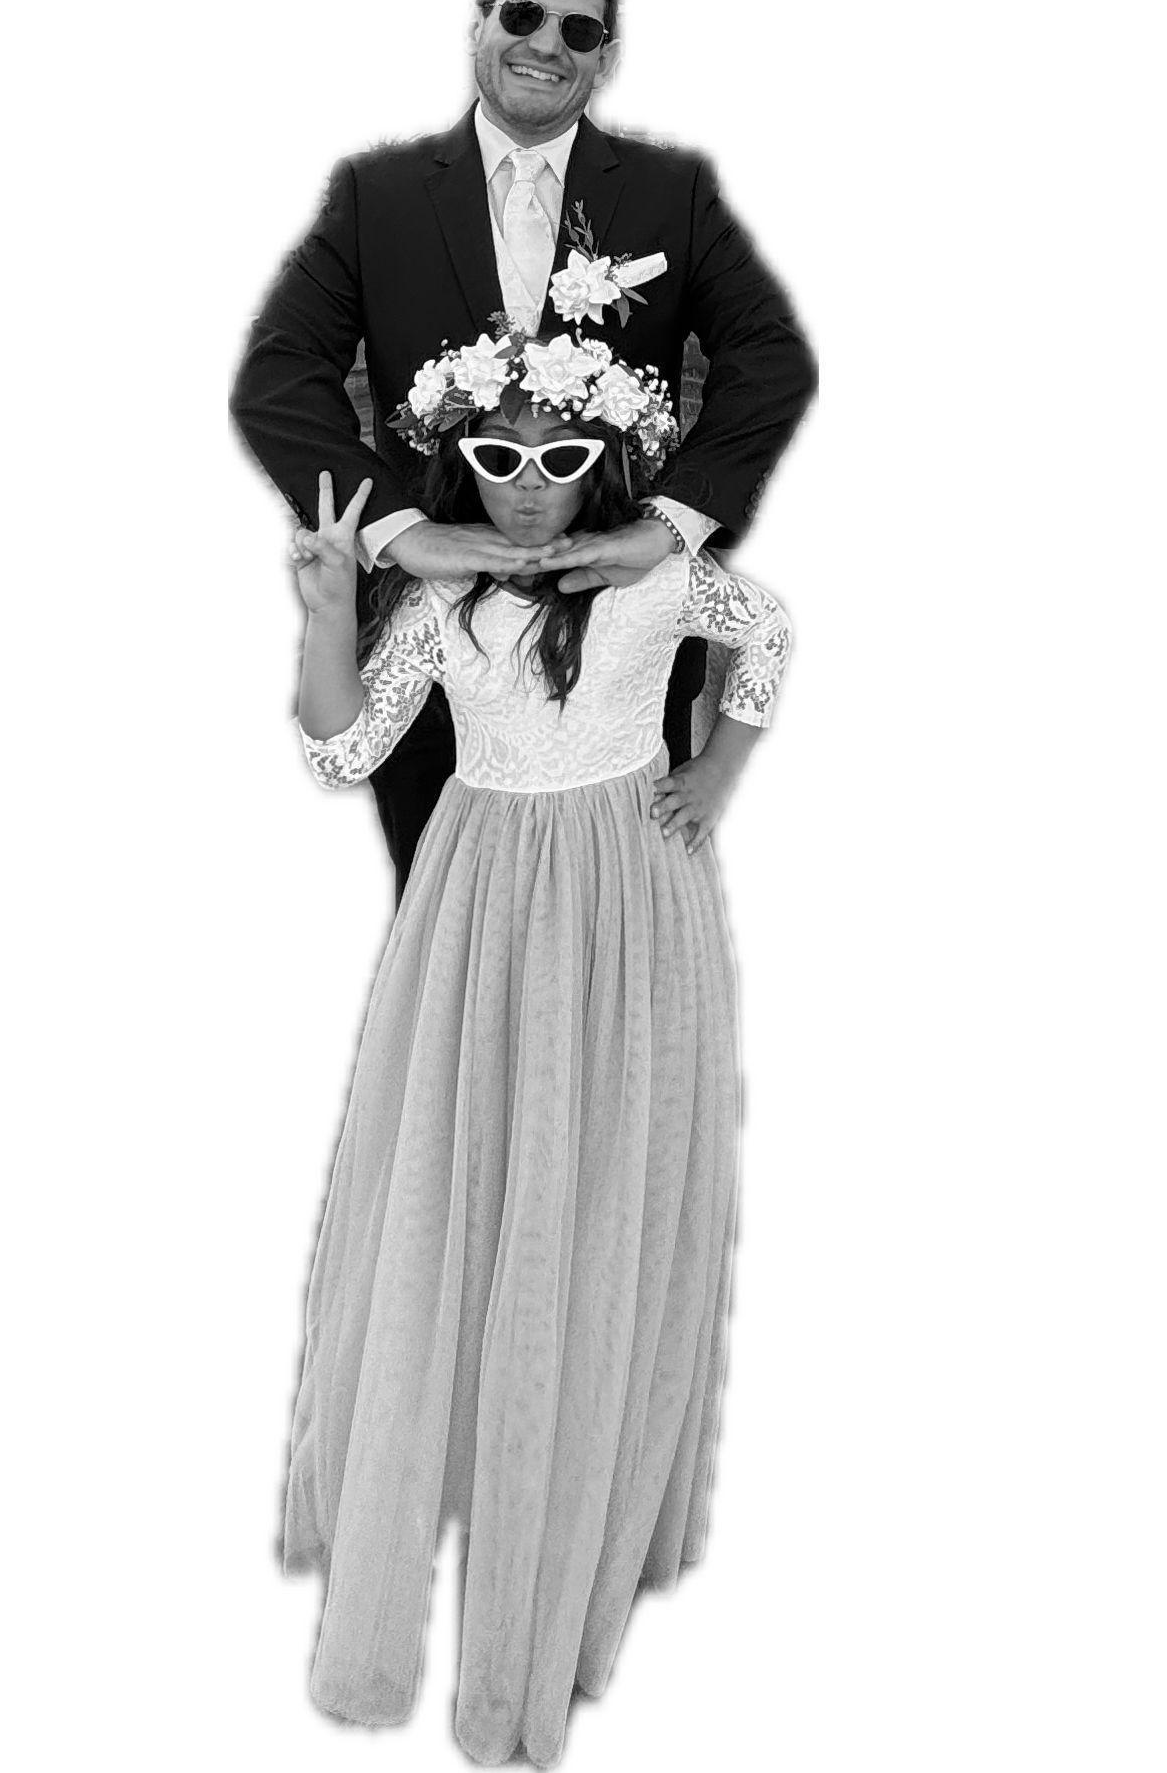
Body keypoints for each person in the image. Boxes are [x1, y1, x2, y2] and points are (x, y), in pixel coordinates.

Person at [281, 326, 793, 1765]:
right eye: (495, 456)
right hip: (481, 892)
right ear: (458, 458)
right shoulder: (442, 599)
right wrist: (327, 614)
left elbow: (763, 630)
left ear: (604, 458)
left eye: (559, 455)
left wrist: (714, 767)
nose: (525, 484)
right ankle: (439, 1445)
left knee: (601, 1163)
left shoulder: (652, 577)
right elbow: (340, 748)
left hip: (626, 889)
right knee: (457, 1158)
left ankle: (568, 1472)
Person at [232, 0, 814, 895]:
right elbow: (278, 374)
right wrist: (404, 532)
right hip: (435, 652)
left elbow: (770, 356)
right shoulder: (375, 194)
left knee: (618, 928)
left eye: (578, 30)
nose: (546, 42)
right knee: (451, 926)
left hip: (623, 644)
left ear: (605, 57)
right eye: (522, 14)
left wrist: (665, 529)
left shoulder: (671, 192)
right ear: (478, 23)